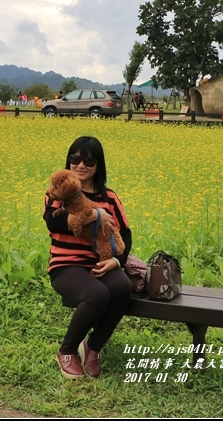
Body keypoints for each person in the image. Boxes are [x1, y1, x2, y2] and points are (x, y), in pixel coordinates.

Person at [44, 136, 132, 379]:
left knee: (123, 287)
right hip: (66, 266)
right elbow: (55, 223)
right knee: (98, 294)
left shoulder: (110, 197)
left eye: (88, 160)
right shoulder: (59, 193)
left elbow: (125, 233)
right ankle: (67, 351)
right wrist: (96, 215)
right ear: (69, 161)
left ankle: (92, 347)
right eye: (75, 158)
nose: (80, 165)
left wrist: (116, 262)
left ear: (98, 164)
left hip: (100, 264)